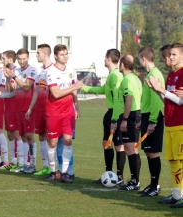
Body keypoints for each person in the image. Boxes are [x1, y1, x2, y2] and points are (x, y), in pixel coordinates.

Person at [81, 49, 125, 185]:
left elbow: (118, 99)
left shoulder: (116, 76)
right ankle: (108, 174)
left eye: (105, 57)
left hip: (115, 113)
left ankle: (119, 176)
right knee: (106, 143)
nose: (104, 60)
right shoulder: (111, 75)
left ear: (109, 59)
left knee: (119, 146)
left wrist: (115, 118)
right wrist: (84, 87)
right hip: (110, 113)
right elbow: (102, 90)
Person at [147, 43, 183, 208]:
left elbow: (180, 101)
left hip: (180, 124)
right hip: (170, 124)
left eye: (175, 54)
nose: (172, 57)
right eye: (171, 54)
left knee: (180, 160)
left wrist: (161, 89)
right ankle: (177, 195)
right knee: (173, 160)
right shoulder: (171, 75)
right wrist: (157, 90)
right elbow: (168, 99)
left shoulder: (182, 74)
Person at [44, 44, 83, 183]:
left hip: (68, 112)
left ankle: (65, 173)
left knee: (67, 141)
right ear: (55, 56)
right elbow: (55, 93)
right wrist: (74, 86)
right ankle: (53, 171)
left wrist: (76, 107)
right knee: (53, 143)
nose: (65, 56)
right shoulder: (50, 72)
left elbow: (74, 91)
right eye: (62, 54)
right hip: (53, 112)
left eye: (66, 54)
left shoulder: (71, 69)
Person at [3, 48, 37, 174]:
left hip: (28, 108)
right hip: (18, 107)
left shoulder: (32, 70)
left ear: (28, 58)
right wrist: (7, 78)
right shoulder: (15, 71)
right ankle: (25, 164)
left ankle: (33, 164)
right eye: (20, 59)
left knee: (29, 136)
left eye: (24, 59)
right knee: (22, 137)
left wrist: (14, 76)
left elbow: (27, 86)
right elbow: (12, 89)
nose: (22, 61)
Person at [136, 46, 164, 197]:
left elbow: (157, 101)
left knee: (153, 152)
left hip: (154, 117)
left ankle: (155, 185)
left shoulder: (155, 75)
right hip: (148, 116)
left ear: (143, 58)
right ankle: (153, 184)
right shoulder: (150, 74)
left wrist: (152, 121)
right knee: (148, 151)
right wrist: (143, 120)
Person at [112, 54, 142, 191]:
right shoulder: (135, 78)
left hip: (131, 116)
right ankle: (135, 180)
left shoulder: (127, 80)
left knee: (130, 149)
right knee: (132, 149)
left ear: (123, 64)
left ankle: (134, 181)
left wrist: (124, 119)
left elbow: (128, 100)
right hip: (137, 114)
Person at [25, 44, 54, 176]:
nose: (36, 55)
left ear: (45, 54)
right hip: (39, 110)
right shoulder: (40, 71)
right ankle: (46, 166)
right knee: (41, 136)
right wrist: (30, 108)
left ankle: (55, 168)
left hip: (51, 109)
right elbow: (37, 91)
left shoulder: (53, 69)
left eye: (38, 53)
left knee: (51, 138)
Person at [0, 50, 24, 172]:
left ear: (9, 59)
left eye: (3, 58)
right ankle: (13, 162)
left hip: (15, 107)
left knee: (17, 134)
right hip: (8, 107)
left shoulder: (16, 72)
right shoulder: (6, 72)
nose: (2, 61)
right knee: (10, 134)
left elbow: (12, 91)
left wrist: (2, 95)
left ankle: (21, 162)